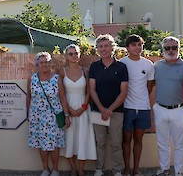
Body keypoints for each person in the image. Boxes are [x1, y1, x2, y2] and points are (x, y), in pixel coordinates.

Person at [89, 34, 128, 176]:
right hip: (97, 111)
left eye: (106, 46)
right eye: (100, 46)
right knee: (100, 143)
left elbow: (124, 92)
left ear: (112, 47)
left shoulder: (122, 67)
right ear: (97, 49)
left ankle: (118, 170)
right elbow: (92, 89)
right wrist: (101, 109)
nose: (103, 49)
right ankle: (99, 169)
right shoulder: (94, 67)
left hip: (116, 111)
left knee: (116, 143)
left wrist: (109, 110)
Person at [27, 52, 71, 176]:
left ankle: (55, 169)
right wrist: (27, 112)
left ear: (50, 63)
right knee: (41, 144)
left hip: (53, 116)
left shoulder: (57, 78)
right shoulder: (32, 78)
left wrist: (66, 115)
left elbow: (62, 98)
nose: (44, 64)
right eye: (41, 62)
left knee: (54, 144)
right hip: (37, 117)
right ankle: (45, 169)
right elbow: (29, 97)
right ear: (37, 65)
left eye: (46, 62)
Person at [153, 37, 183, 176]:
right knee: (162, 143)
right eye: (167, 48)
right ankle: (164, 170)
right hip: (160, 108)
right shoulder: (156, 66)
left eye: (174, 47)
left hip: (180, 109)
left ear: (179, 49)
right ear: (162, 50)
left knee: (180, 144)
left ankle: (179, 172)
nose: (171, 51)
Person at [120, 34, 154, 176]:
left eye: (139, 44)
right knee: (126, 139)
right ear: (127, 47)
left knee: (138, 139)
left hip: (143, 108)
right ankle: (127, 169)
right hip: (126, 108)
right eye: (134, 45)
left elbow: (150, 86)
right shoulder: (122, 63)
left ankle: (136, 170)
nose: (137, 47)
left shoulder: (148, 64)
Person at [59, 44, 96, 176]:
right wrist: (68, 111)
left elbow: (89, 92)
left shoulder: (86, 71)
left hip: (83, 109)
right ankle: (73, 168)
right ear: (66, 56)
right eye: (71, 54)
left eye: (76, 53)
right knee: (69, 139)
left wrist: (83, 108)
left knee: (83, 138)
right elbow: (61, 94)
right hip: (68, 109)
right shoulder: (62, 72)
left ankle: (81, 169)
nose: (74, 56)